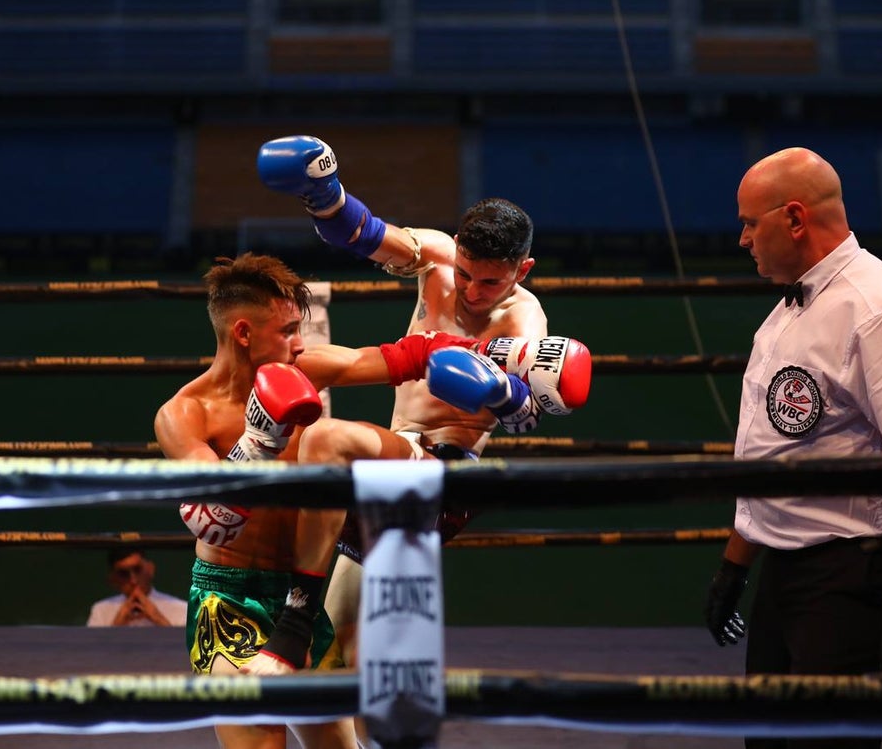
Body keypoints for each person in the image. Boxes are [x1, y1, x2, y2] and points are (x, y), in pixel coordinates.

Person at [153, 252, 561, 749]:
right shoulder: (184, 414)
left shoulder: (305, 367)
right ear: (243, 333)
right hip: (228, 599)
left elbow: (399, 357)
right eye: (286, 331)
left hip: (296, 601)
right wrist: (260, 439)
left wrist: (507, 364)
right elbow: (211, 518)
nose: (300, 344)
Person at [257, 134, 590, 674]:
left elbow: (526, 416)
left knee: (325, 437)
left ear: (522, 271)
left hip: (443, 473)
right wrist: (325, 197)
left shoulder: (524, 321)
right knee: (336, 647)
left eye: (490, 282)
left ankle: (294, 617)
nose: (472, 291)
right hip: (387, 456)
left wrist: (501, 390)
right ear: (456, 247)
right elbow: (360, 234)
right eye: (465, 272)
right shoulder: (434, 259)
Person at [703, 147, 882, 749]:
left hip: (849, 581)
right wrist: (734, 567)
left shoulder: (880, 309)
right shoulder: (794, 306)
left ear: (794, 218)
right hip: (785, 573)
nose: (742, 240)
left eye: (750, 222)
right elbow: (778, 455)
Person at [86, 546, 188, 628]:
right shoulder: (101, 611)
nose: (133, 580)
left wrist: (158, 619)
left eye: (138, 570)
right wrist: (116, 626)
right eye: (123, 573)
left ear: (150, 569)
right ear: (113, 579)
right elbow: (90, 652)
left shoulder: (181, 609)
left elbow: (189, 651)